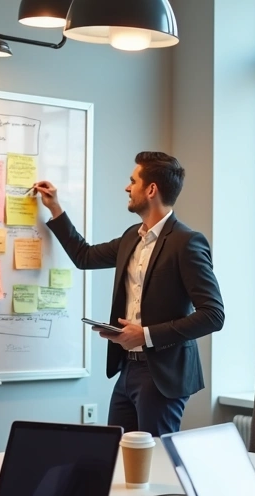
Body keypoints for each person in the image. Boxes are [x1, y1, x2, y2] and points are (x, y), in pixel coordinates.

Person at [32, 151, 224, 438]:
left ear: (151, 189)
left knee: (156, 458)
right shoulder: (132, 237)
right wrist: (55, 208)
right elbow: (84, 256)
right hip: (128, 368)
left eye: (133, 181)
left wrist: (145, 335)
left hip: (163, 373)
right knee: (117, 452)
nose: (127, 187)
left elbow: (213, 315)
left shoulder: (186, 242)